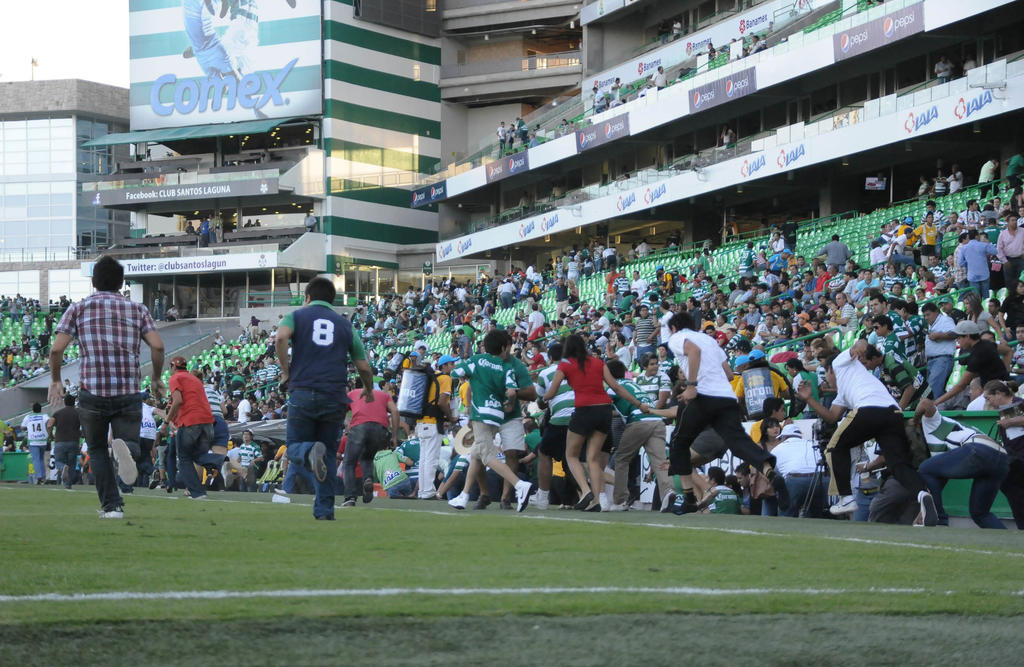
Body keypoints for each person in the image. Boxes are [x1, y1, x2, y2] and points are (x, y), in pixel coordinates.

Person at [49, 255, 165, 519]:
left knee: (98, 449)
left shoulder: (77, 309)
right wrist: (156, 377)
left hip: (93, 392)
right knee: (129, 441)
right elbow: (157, 346)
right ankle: (126, 450)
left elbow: (56, 350)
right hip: (128, 390)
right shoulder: (138, 310)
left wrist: (56, 380)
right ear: (121, 283)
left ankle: (111, 507)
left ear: (93, 281)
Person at [796, 340, 937, 526]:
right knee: (898, 464)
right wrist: (809, 399)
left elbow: (861, 343)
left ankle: (845, 497)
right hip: (893, 413)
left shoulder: (839, 362)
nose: (826, 382)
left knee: (834, 448)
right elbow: (831, 417)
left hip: (869, 409)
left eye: (826, 377)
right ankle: (922, 494)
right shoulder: (845, 391)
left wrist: (860, 348)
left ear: (830, 370)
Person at [664, 311, 787, 514]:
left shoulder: (678, 337)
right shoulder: (709, 340)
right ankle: (769, 472)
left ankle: (689, 498)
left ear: (674, 328)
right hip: (726, 397)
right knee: (739, 442)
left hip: (703, 395)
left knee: (678, 444)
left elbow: (693, 351)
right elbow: (729, 373)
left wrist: (691, 385)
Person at [275, 277, 375, 521]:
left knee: (295, 446)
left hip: (303, 391)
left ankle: (310, 452)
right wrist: (368, 388)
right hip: (334, 396)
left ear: (308, 297)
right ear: (332, 299)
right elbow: (363, 366)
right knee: (329, 454)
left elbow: (280, 338)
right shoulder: (345, 325)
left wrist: (286, 371)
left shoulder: (296, 316)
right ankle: (324, 511)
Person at [540, 333, 651, 512]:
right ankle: (598, 500)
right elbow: (616, 387)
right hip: (604, 411)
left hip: (584, 411)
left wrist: (543, 398)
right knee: (593, 458)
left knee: (571, 455)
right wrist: (639, 404)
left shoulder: (565, 365)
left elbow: (552, 392)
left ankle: (585, 491)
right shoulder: (598, 362)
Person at [446, 330, 534, 512]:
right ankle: (466, 495)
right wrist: (509, 401)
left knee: (486, 454)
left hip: (484, 413)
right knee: (476, 453)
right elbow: (511, 392)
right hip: (498, 414)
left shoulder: (478, 360)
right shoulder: (506, 367)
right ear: (503, 347)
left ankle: (518, 486)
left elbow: (456, 373)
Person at [913, 396, 1008, 529]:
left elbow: (925, 402)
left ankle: (940, 521)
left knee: (924, 468)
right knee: (980, 514)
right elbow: (936, 484)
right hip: (1001, 458)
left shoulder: (930, 421)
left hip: (979, 449)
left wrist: (915, 420)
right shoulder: (939, 452)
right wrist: (923, 512)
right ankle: (1007, 540)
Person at [605, 360, 674, 511]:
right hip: (657, 421)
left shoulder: (613, 388)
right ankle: (668, 492)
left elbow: (602, 406)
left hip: (638, 422)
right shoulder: (634, 384)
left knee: (621, 459)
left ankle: (620, 500)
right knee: (660, 461)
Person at [165, 356, 219, 500]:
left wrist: (166, 422)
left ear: (173, 366)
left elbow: (177, 401)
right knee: (196, 456)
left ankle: (197, 492)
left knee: (184, 458)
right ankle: (211, 465)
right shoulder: (195, 379)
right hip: (208, 422)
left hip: (190, 422)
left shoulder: (175, 378)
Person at [343, 379, 400, 507]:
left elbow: (341, 409)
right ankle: (368, 478)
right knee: (367, 457)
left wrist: (347, 423)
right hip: (380, 429)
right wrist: (394, 437)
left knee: (349, 463)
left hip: (359, 427)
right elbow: (395, 411)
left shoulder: (353, 393)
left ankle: (350, 497)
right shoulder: (384, 395)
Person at [932, 320, 1010, 407]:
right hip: (1002, 387)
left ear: (967, 336)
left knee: (971, 407)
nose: (957, 341)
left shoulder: (977, 355)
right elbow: (1008, 351)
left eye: (959, 337)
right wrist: (1006, 372)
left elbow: (961, 386)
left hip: (995, 394)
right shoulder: (987, 343)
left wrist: (936, 402)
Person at [414, 355, 456, 500]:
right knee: (431, 459)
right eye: (451, 364)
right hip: (432, 423)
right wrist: (451, 418)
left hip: (422, 422)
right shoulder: (445, 378)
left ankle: (423, 491)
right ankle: (428, 492)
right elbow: (442, 402)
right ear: (444, 366)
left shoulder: (432, 378)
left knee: (424, 459)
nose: (453, 366)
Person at [48, 394, 81, 489]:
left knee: (59, 461)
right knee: (72, 464)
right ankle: (68, 484)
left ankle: (62, 468)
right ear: (74, 402)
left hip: (60, 441)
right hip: (74, 441)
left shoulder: (58, 413)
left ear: (64, 402)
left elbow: (49, 425)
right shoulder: (78, 413)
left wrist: (51, 436)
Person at [21, 403, 49, 485]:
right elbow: (49, 423)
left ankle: (39, 477)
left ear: (32, 409)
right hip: (43, 440)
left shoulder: (28, 417)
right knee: (41, 459)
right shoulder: (44, 416)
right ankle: (43, 477)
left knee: (36, 459)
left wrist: (28, 427)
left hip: (33, 440)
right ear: (41, 409)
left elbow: (22, 427)